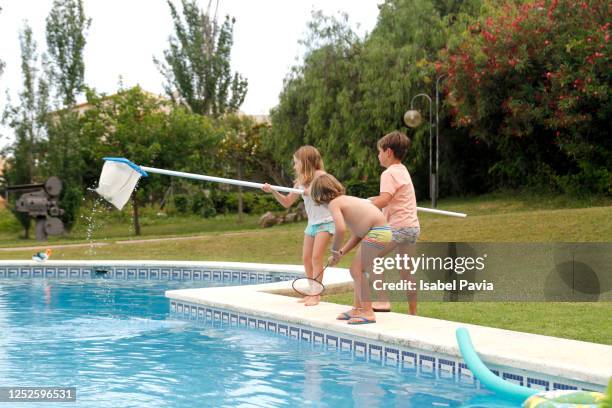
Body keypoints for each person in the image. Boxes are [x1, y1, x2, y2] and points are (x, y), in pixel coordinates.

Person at [310, 173, 391, 324]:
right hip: (380, 232)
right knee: (357, 270)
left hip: (378, 233)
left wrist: (334, 251)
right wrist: (341, 252)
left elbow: (340, 229)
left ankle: (368, 312)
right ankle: (357, 309)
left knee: (356, 270)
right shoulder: (347, 201)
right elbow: (358, 234)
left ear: (319, 197)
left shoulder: (335, 204)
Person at [262, 146, 333, 306]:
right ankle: (311, 291)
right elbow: (287, 203)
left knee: (316, 257)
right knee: (306, 258)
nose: (294, 166)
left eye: (296, 162)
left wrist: (313, 192)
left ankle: (316, 294)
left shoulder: (322, 177)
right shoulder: (300, 182)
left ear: (305, 162)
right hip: (312, 225)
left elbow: (333, 196)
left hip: (326, 222)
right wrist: (273, 190)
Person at [369, 131, 420, 315]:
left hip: (397, 227)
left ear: (388, 152)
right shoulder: (403, 170)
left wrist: (364, 207)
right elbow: (392, 197)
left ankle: (382, 301)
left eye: (380, 152)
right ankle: (413, 313)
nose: (378, 155)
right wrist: (374, 199)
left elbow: (385, 200)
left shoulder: (388, 174)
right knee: (406, 272)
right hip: (411, 227)